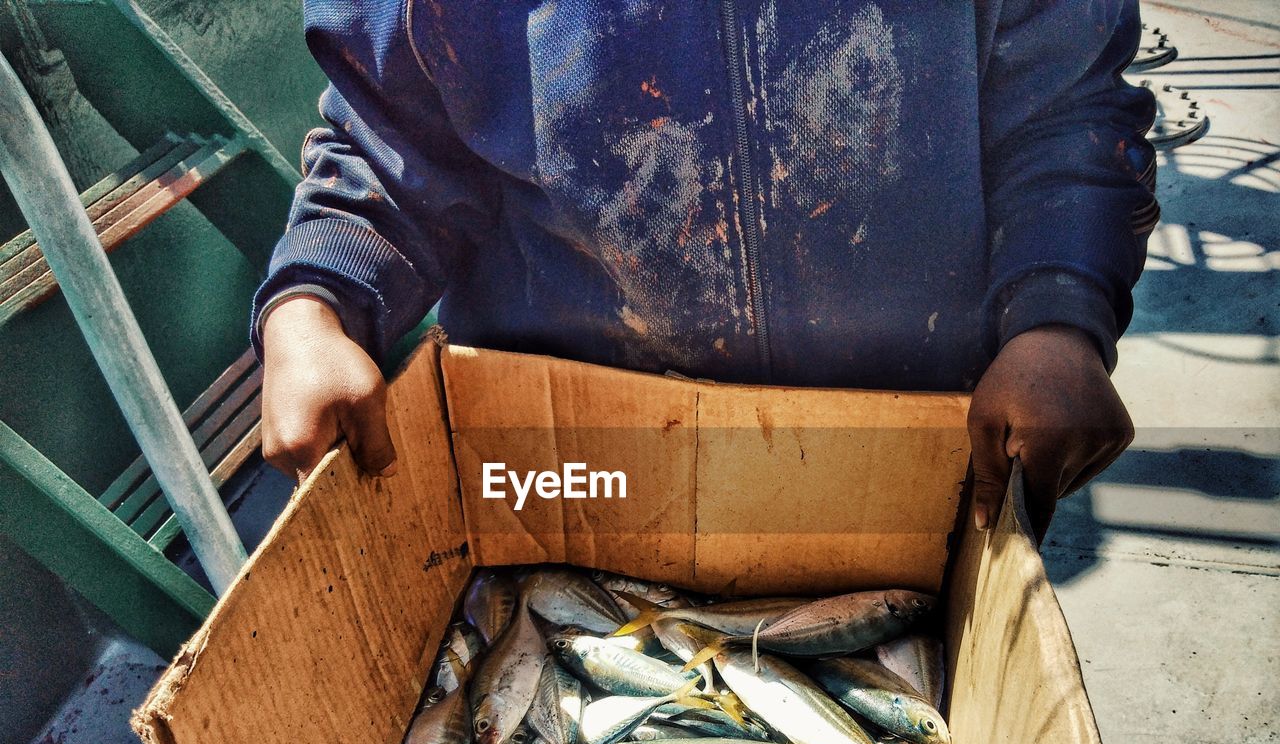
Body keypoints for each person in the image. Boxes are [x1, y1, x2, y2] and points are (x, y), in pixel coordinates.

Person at [256, 0, 1157, 542]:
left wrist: (1058, 324)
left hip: (917, 462)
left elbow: (1064, 112)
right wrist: (314, 306)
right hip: (574, 473)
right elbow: (390, 144)